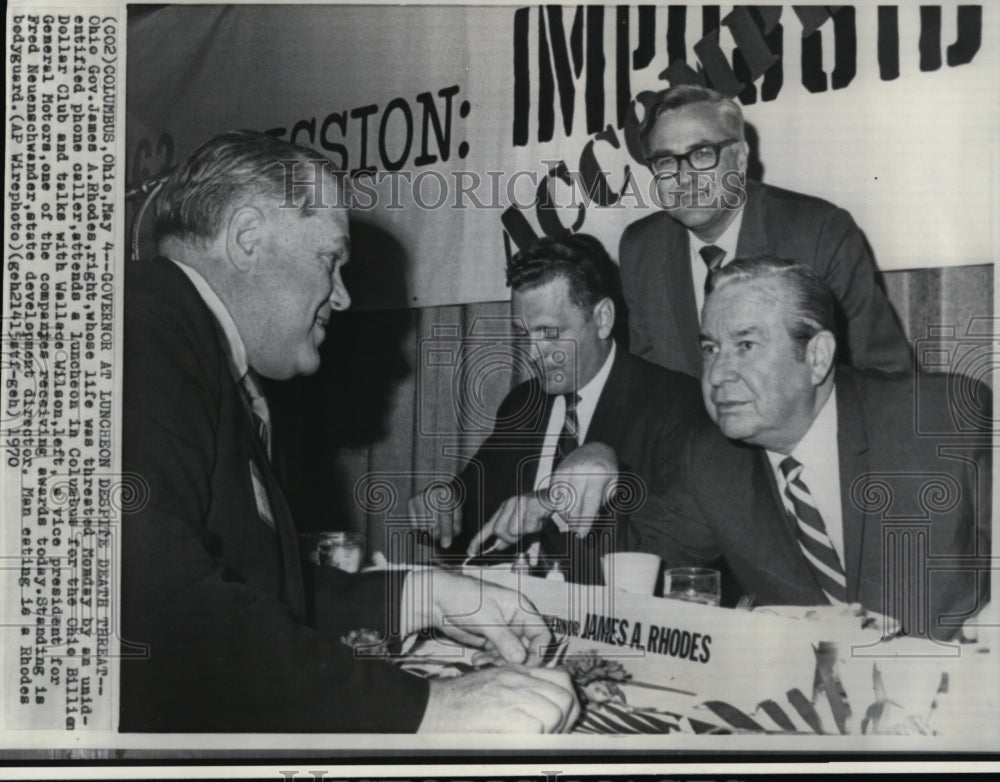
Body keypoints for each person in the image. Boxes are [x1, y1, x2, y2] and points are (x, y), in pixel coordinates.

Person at [120, 131, 579, 732]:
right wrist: (427, 710)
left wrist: (418, 595)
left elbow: (260, 594)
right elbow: (161, 611)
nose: (342, 295)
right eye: (329, 260)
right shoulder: (138, 330)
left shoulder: (189, 342)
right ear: (247, 238)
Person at [635, 257, 990, 640]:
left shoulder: (942, 420)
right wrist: (603, 465)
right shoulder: (710, 460)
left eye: (746, 345)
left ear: (817, 357)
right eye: (710, 348)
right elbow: (635, 576)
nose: (718, 374)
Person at [408, 234, 703, 580]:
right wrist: (445, 500)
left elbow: (664, 556)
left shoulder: (674, 404)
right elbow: (475, 489)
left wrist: (554, 501)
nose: (532, 355)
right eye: (524, 335)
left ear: (603, 318)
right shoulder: (523, 404)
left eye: (549, 334)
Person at [619, 84, 912, 379]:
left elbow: (884, 376)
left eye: (703, 153)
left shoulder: (819, 234)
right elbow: (649, 386)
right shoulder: (642, 248)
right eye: (666, 161)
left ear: (741, 157)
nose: (684, 178)